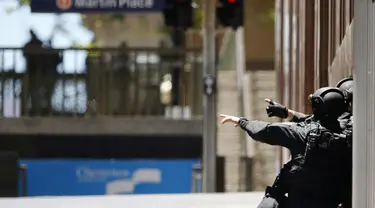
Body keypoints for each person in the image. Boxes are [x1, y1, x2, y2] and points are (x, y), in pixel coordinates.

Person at [220, 87, 350, 208]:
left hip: (301, 202)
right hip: (335, 202)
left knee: (271, 201)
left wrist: (242, 122)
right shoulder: (351, 131)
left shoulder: (302, 133)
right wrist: (287, 113)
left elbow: (264, 131)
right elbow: (312, 120)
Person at [264, 78, 353, 207]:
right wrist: (287, 112)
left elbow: (313, 122)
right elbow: (311, 120)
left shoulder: (347, 123)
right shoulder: (341, 121)